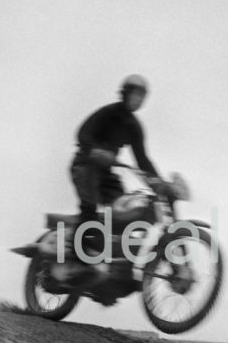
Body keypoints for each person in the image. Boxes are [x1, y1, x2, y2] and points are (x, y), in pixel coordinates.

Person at [68, 74, 163, 257]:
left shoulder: (134, 127)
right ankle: (76, 252)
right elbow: (82, 134)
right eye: (135, 95)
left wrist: (158, 182)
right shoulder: (108, 113)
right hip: (85, 165)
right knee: (89, 206)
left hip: (105, 172)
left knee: (121, 208)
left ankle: (112, 252)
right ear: (125, 93)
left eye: (142, 97)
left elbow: (142, 160)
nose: (138, 100)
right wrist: (96, 151)